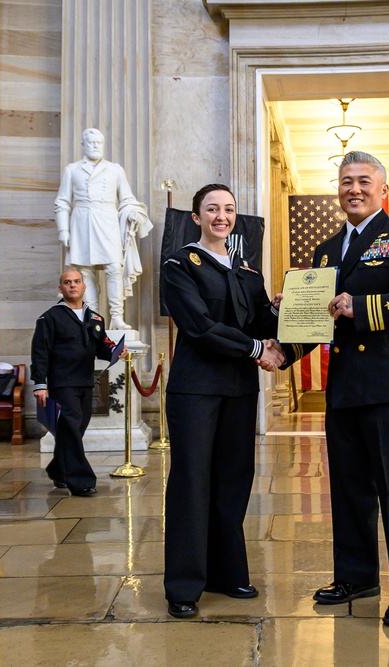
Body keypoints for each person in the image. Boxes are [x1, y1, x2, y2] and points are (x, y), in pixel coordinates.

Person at [280, 151, 389, 626]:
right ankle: (357, 576)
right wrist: (282, 340)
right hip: (346, 387)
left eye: (364, 181)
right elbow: (316, 321)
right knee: (349, 488)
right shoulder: (327, 250)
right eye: (346, 181)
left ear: (383, 188)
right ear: (338, 188)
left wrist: (363, 306)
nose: (354, 188)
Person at [160, 184, 283, 619]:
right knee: (193, 481)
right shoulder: (180, 264)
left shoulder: (247, 271)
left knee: (234, 480)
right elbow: (199, 326)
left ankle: (227, 573)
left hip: (238, 389)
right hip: (196, 389)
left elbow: (263, 320)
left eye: (228, 209)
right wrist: (256, 349)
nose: (221, 216)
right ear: (196, 217)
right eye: (211, 209)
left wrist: (287, 308)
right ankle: (184, 585)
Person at [31, 270, 125, 497]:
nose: (72, 286)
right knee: (71, 427)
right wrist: (40, 384)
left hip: (85, 381)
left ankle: (58, 470)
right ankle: (81, 480)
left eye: (76, 282)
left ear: (84, 287)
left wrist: (115, 350)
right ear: (60, 289)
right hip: (62, 382)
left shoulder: (95, 319)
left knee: (75, 428)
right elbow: (40, 352)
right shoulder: (50, 318)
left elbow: (102, 346)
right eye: (67, 283)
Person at [55, 128, 152, 329]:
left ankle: (116, 316)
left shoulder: (115, 169)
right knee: (85, 271)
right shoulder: (72, 169)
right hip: (82, 223)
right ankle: (93, 317)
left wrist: (132, 212)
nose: (96, 146)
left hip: (107, 222)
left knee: (114, 268)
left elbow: (126, 198)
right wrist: (63, 230)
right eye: (91, 143)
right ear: (83, 145)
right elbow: (62, 202)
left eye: (99, 143)